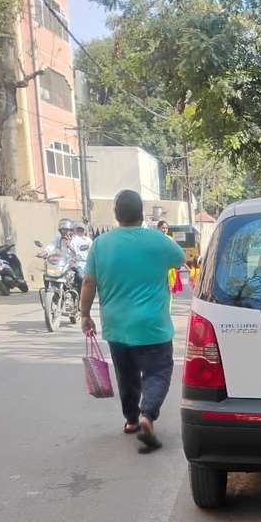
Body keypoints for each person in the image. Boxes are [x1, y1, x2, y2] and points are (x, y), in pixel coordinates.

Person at [80, 189, 185, 452]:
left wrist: (84, 314)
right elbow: (180, 259)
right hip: (153, 325)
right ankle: (147, 415)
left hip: (117, 326)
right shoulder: (157, 239)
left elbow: (88, 281)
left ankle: (130, 421)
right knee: (158, 371)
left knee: (126, 374)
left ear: (116, 215)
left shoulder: (101, 244)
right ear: (141, 213)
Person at [157, 219, 183, 294]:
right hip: (158, 267)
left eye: (166, 228)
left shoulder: (170, 239)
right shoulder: (155, 239)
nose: (164, 230)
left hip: (170, 268)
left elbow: (176, 252)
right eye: (163, 228)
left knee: (169, 289)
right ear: (158, 228)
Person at [71, 222, 93, 295]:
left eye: (81, 229)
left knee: (82, 277)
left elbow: (93, 251)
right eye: (78, 229)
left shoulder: (88, 241)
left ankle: (82, 294)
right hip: (73, 263)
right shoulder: (72, 239)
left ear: (84, 231)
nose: (80, 231)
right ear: (75, 230)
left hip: (84, 263)